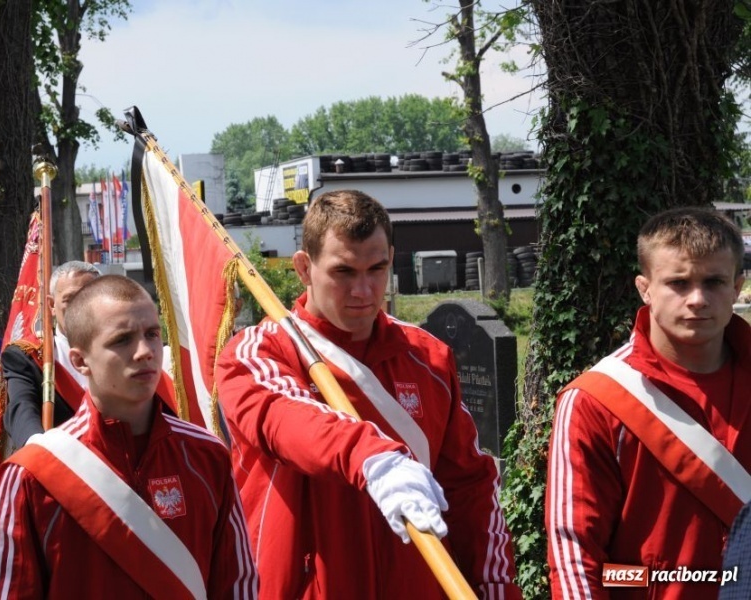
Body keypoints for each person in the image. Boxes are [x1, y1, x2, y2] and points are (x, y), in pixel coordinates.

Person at [215, 190, 520, 599]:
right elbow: (283, 419)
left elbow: (470, 487)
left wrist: (496, 587)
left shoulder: (428, 357)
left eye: (376, 269)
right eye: (344, 272)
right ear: (305, 267)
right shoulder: (259, 351)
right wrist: (373, 457)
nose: (363, 291)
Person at [0, 275, 257, 599]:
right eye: (122, 339)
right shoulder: (31, 473)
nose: (145, 351)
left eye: (152, 334)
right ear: (80, 361)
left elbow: (237, 584)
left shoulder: (208, 455)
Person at [546, 207, 751, 599]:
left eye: (714, 282)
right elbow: (574, 551)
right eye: (678, 282)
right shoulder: (594, 400)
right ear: (645, 288)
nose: (697, 299)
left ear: (738, 286)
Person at [1, 260, 100, 447]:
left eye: (89, 297)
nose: (81, 307)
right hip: (60, 464)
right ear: (52, 305)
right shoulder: (28, 357)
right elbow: (21, 408)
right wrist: (38, 446)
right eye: (70, 299)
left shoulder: (127, 351)